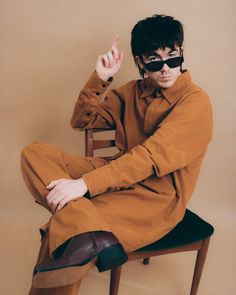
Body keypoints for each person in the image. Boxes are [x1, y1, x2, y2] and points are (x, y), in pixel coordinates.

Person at [21, 14, 213, 295]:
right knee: (34, 153)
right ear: (140, 63)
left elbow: (148, 158)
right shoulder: (132, 93)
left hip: (155, 198)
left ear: (181, 53)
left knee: (65, 230)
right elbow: (81, 122)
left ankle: (80, 228)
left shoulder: (196, 102)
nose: (166, 69)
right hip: (116, 173)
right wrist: (100, 78)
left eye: (173, 57)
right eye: (155, 61)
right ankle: (88, 228)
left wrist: (84, 186)